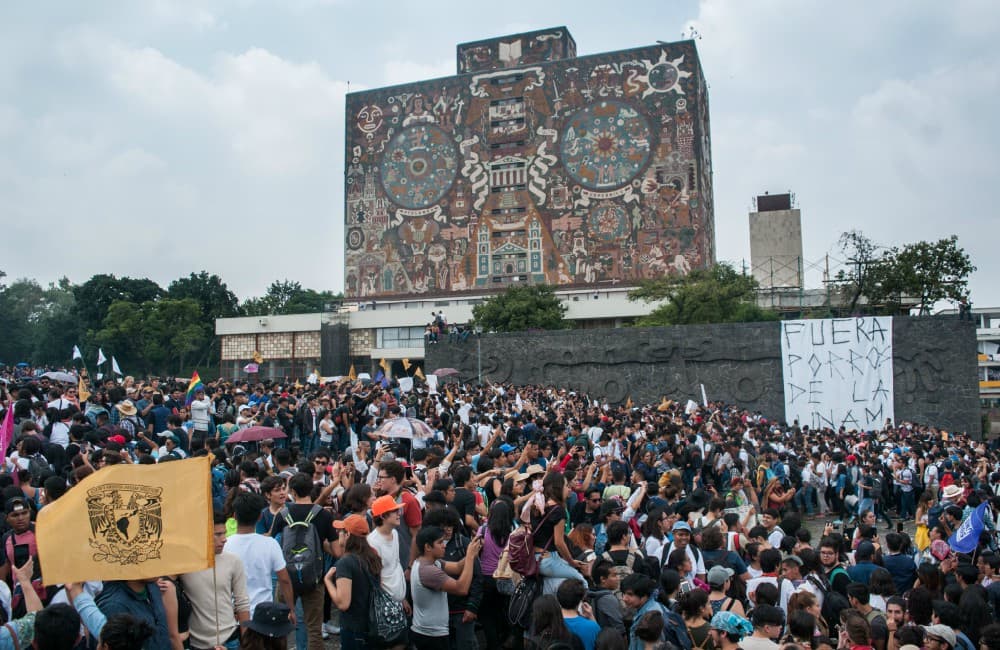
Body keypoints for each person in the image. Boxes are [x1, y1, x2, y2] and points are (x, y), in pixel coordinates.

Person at [269, 472, 336, 650]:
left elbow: (271, 543)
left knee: (280, 626)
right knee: (314, 628)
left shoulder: (282, 514)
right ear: (311, 490)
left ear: (292, 491)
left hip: (286, 578)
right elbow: (336, 550)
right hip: (314, 578)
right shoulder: (323, 515)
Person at [180, 513, 251, 650]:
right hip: (196, 643)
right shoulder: (184, 565)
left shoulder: (233, 561)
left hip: (230, 639)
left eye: (224, 533)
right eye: (217, 534)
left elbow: (242, 602)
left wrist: (247, 642)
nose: (224, 539)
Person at [409, 525, 482, 650]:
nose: (444, 545)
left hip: (430, 632)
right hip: (431, 635)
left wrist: (472, 550)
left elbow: (458, 567)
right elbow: (462, 588)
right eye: (440, 542)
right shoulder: (428, 571)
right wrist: (469, 557)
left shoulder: (430, 561)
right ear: (427, 547)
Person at [223, 492, 296, 616]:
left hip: (233, 613)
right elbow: (284, 580)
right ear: (259, 517)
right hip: (263, 613)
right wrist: (291, 610)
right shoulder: (270, 544)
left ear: (234, 516)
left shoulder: (224, 545)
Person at [324, 515, 386, 650]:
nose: (337, 534)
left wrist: (328, 581)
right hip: (374, 626)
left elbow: (343, 603)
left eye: (340, 531)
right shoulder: (374, 557)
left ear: (347, 535)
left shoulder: (346, 563)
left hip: (354, 630)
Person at [557, 579, 601, 650]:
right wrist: (591, 616)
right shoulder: (592, 627)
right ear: (581, 598)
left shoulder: (552, 623)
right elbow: (602, 642)